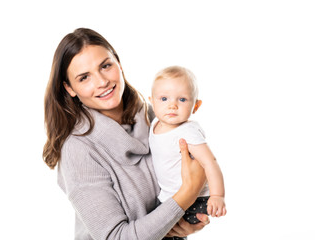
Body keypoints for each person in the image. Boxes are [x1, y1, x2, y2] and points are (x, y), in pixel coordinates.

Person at [43, 28, 209, 240]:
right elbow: (117, 237)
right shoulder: (78, 150)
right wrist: (187, 195)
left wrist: (193, 221)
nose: (102, 81)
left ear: (119, 64)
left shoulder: (154, 117)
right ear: (69, 88)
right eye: (84, 77)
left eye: (105, 66)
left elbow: (193, 177)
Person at [149, 66, 227, 225]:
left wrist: (217, 195)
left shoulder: (187, 131)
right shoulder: (155, 123)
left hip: (194, 200)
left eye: (182, 99)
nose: (172, 105)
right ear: (152, 101)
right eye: (164, 99)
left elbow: (210, 162)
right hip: (170, 197)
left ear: (196, 106)